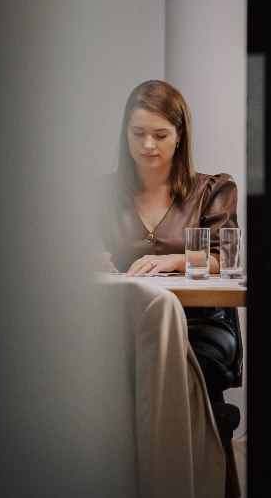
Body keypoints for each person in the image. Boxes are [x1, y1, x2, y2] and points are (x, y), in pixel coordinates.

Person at [97, 79, 242, 401]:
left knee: (184, 364)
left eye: (160, 135)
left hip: (198, 321)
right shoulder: (101, 194)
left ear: (179, 137)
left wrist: (174, 261)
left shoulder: (212, 190)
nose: (148, 145)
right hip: (123, 320)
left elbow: (225, 258)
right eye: (138, 134)